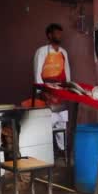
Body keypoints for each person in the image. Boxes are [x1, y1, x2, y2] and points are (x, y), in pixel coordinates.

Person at [33, 23, 71, 151]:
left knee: (62, 122)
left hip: (60, 91)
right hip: (47, 91)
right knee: (47, 122)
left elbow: (67, 71)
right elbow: (37, 71)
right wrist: (41, 91)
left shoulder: (63, 53)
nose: (60, 35)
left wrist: (68, 89)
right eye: (57, 33)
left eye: (61, 33)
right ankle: (46, 152)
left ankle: (62, 150)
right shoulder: (42, 51)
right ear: (50, 35)